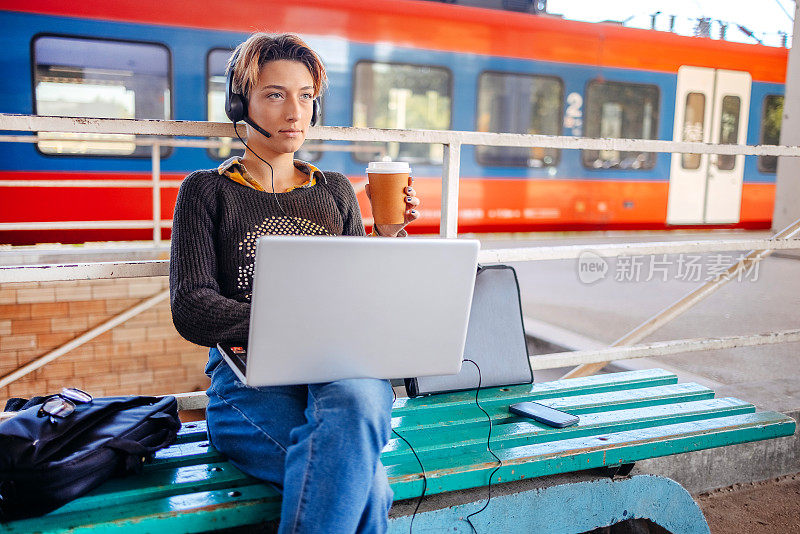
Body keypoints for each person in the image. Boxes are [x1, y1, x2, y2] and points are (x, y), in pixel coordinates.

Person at [169, 33, 420, 533]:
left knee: (357, 401)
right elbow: (192, 307)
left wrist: (389, 238)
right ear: (240, 105)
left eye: (306, 96)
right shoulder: (207, 190)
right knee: (368, 487)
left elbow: (361, 295)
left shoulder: (336, 191)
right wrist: (294, 323)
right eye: (275, 94)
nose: (295, 111)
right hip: (250, 379)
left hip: (339, 366)